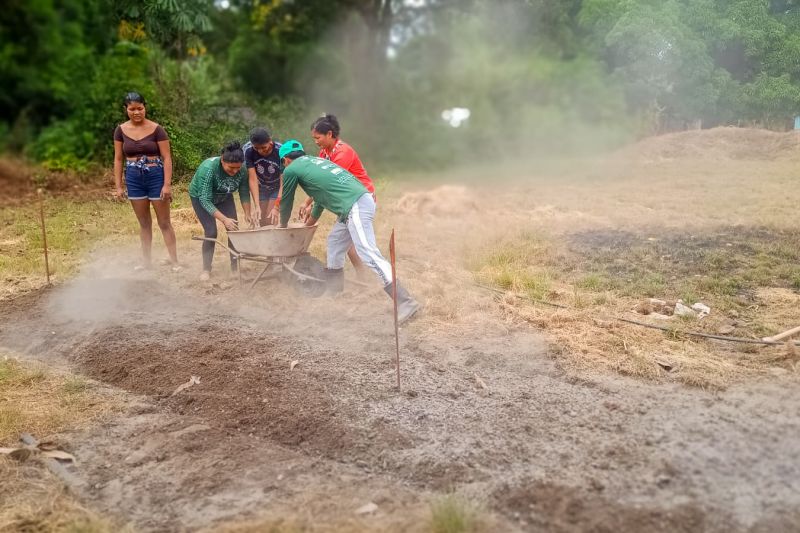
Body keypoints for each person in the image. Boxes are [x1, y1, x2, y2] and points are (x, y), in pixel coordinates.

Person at [278, 140, 420, 324]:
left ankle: (405, 301)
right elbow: (321, 198)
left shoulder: (291, 169)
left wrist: (282, 226)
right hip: (357, 202)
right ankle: (334, 291)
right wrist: (309, 224)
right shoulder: (316, 162)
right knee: (334, 242)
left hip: (356, 205)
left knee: (368, 252)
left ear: (285, 160)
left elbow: (286, 201)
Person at [113, 91, 180, 271]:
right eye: (132, 109)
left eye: (140, 108)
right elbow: (118, 159)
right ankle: (146, 262)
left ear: (145, 107)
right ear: (126, 109)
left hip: (156, 176)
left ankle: (174, 261)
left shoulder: (157, 129)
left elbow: (167, 158)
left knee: (164, 222)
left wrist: (167, 184)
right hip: (134, 178)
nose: (136, 112)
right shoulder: (120, 130)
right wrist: (119, 186)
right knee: (144, 223)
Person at [301, 114, 374, 275]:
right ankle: (358, 277)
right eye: (313, 138)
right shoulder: (324, 153)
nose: (315, 141)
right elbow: (319, 183)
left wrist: (311, 211)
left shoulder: (343, 153)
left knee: (357, 243)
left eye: (318, 137)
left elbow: (326, 186)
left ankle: (375, 278)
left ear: (329, 134)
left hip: (360, 199)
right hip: (347, 201)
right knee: (340, 241)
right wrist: (306, 202)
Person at [188, 141, 252, 281]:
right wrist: (224, 219)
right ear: (222, 160)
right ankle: (206, 269)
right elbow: (205, 200)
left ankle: (235, 268)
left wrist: (247, 213)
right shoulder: (208, 168)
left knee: (233, 229)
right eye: (231, 168)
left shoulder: (242, 170)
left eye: (237, 168)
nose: (235, 171)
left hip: (224, 196)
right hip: (201, 198)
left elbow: (244, 192)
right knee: (211, 232)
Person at [243, 127, 282, 226]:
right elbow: (252, 179)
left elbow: (284, 181)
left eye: (263, 147)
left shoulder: (280, 150)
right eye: (256, 148)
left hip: (277, 187)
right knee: (261, 219)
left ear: (270, 141)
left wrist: (277, 206)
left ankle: (274, 241)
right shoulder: (248, 151)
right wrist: (256, 206)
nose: (260, 151)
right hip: (261, 188)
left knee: (270, 218)